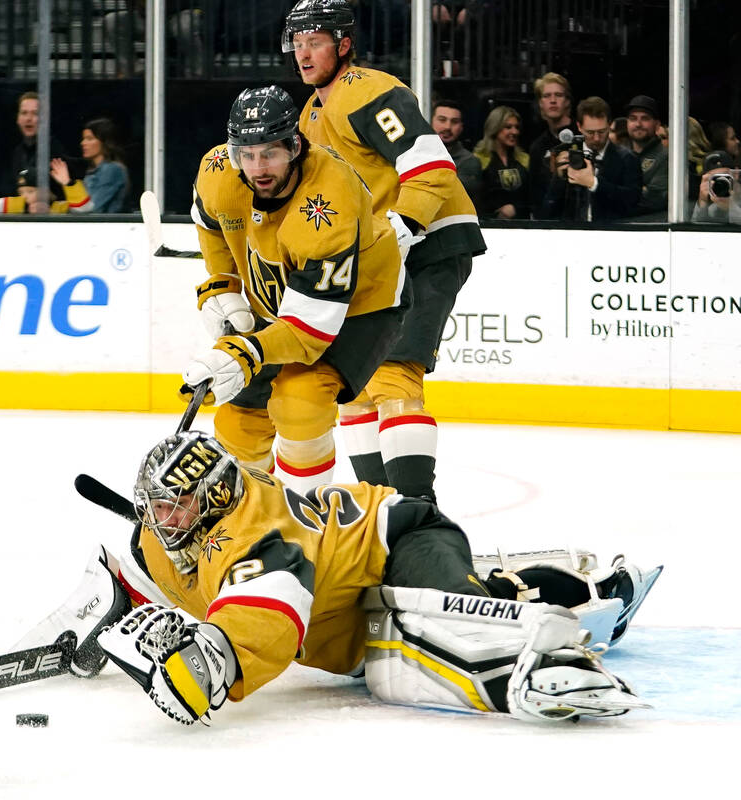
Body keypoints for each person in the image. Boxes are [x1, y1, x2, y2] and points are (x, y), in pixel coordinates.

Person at [95, 430, 657, 725]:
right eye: (155, 506)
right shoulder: (158, 538)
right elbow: (155, 577)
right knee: (421, 622)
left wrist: (207, 661)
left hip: (402, 536)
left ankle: (588, 595)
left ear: (215, 498)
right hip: (348, 588)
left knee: (456, 615)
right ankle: (508, 584)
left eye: (174, 507)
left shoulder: (260, 544)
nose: (160, 519)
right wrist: (121, 606)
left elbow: (263, 617)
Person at [285, 0, 486, 502]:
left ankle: (419, 517)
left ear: (344, 45)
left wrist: (402, 225)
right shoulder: (311, 114)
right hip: (382, 256)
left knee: (394, 373)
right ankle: (385, 512)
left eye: (315, 42)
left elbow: (432, 165)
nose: (303, 54)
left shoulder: (369, 90)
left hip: (429, 240)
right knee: (355, 386)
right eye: (297, 43)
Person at [185, 84, 408, 497]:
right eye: (246, 155)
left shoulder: (327, 200)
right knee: (238, 422)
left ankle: (301, 521)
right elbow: (209, 221)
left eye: (270, 152)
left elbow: (309, 331)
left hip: (362, 303)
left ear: (295, 146)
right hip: (282, 305)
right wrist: (223, 284)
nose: (258, 167)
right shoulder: (218, 172)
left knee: (299, 401)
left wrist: (243, 352)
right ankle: (248, 517)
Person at [540, 96, 641, 222]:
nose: (597, 138)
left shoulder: (628, 159)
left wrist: (594, 183)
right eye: (590, 132)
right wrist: (559, 179)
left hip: (610, 235)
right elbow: (546, 211)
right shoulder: (566, 155)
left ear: (610, 125)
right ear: (579, 126)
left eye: (602, 131)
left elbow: (633, 202)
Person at [0, 91, 69, 208]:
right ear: (18, 119)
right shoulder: (17, 153)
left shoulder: (55, 149)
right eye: (24, 113)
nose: (29, 118)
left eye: (35, 113)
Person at [102, 0, 207, 78]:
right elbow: (132, 7)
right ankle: (134, 71)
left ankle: (195, 73)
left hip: (178, 14)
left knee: (185, 25)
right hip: (147, 18)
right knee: (112, 20)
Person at [50, 117, 130, 213]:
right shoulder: (92, 171)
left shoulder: (112, 170)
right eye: (84, 139)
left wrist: (68, 183)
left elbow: (91, 210)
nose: (83, 143)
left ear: (104, 142)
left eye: (89, 139)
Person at [526, 71, 577, 218]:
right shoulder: (537, 147)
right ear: (540, 103)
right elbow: (535, 198)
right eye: (547, 96)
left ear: (567, 101)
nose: (553, 100)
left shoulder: (584, 136)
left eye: (558, 95)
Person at [473, 105, 530, 219]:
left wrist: (516, 208)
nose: (514, 132)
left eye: (517, 127)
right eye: (508, 127)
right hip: (489, 225)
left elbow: (532, 196)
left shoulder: (524, 160)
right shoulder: (478, 159)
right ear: (495, 127)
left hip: (522, 225)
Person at [623, 95, 669, 221]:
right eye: (633, 118)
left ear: (657, 124)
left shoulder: (667, 157)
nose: (638, 124)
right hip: (617, 227)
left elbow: (655, 199)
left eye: (645, 119)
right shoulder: (618, 155)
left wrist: (617, 191)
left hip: (653, 228)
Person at [430, 99, 480, 203]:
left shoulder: (469, 161)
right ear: (430, 121)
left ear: (461, 127)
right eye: (442, 120)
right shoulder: (415, 153)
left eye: (454, 122)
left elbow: (450, 193)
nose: (447, 127)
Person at [691, 150, 739, 225]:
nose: (720, 183)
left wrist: (731, 208)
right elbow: (694, 233)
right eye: (714, 178)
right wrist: (703, 203)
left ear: (735, 174)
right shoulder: (710, 208)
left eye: (725, 177)